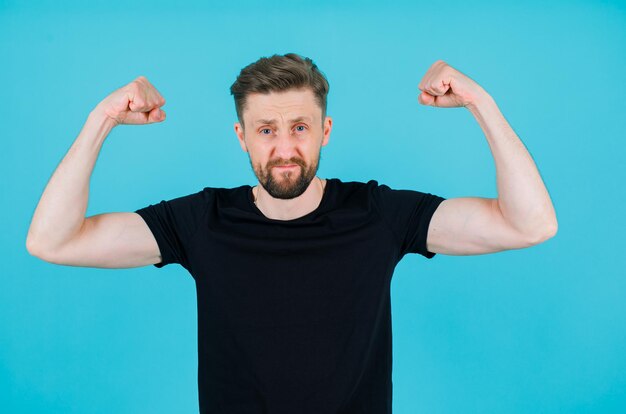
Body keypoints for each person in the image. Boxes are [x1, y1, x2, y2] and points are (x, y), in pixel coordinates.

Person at [26, 53, 557, 413]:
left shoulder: (378, 213)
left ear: (325, 130)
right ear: (242, 137)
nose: (284, 149)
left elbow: (529, 223)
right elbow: (53, 241)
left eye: (300, 127)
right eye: (266, 130)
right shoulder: (200, 222)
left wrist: (479, 102)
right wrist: (102, 118)